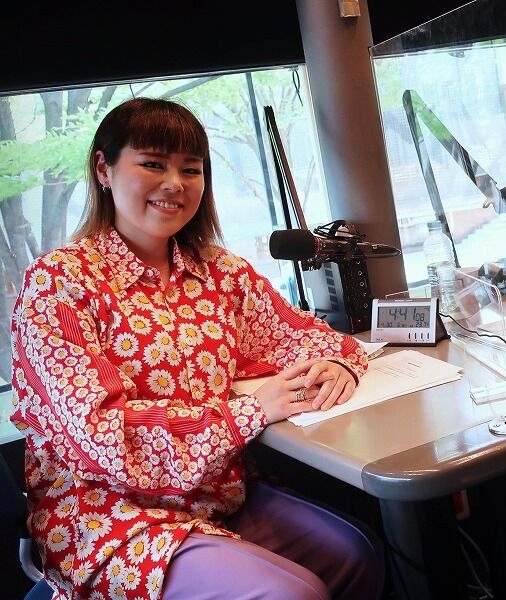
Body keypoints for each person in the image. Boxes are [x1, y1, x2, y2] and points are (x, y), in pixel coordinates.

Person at [10, 98, 383, 600]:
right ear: (103, 169)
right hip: (106, 514)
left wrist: (338, 363)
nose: (175, 184)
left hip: (214, 497)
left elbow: (302, 334)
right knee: (291, 593)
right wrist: (250, 412)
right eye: (152, 164)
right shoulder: (59, 283)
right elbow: (101, 433)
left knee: (356, 555)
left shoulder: (219, 272)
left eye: (191, 169)